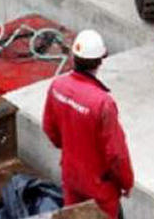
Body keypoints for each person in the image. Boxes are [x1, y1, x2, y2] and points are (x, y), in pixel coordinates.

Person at [43, 30, 133, 219]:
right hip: (100, 187)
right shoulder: (102, 103)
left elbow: (50, 129)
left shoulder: (57, 86)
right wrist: (126, 182)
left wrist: (71, 149)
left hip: (72, 176)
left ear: (74, 57)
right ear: (100, 61)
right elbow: (116, 154)